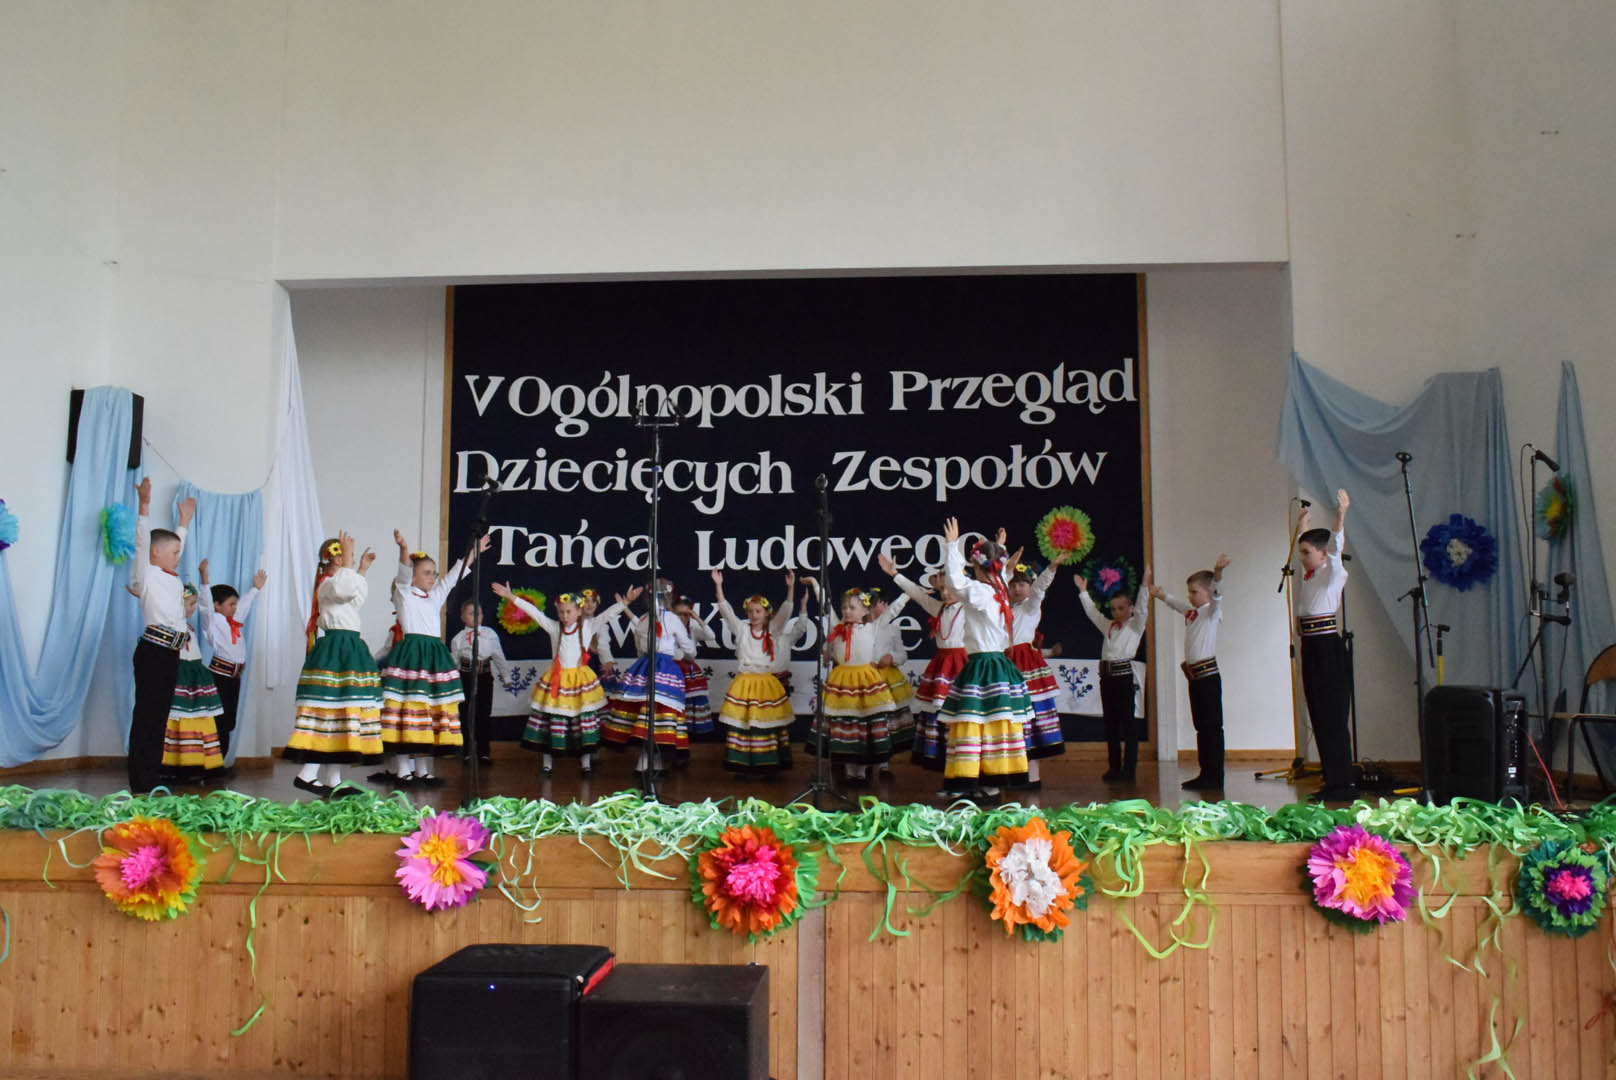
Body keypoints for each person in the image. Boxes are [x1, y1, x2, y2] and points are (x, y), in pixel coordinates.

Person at [373, 530, 490, 787]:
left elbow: (453, 576)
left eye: (433, 573)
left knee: (429, 712)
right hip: (412, 657)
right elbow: (403, 572)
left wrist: (474, 553)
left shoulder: (435, 596)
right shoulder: (404, 593)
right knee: (408, 710)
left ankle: (423, 770)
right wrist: (404, 549)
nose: (432, 577)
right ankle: (403, 769)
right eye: (426, 573)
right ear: (413, 575)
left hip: (434, 659)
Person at [496, 582, 638, 776]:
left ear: (578, 612)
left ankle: (586, 764)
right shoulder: (554, 628)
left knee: (583, 721)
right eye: (561, 612)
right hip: (557, 680)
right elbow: (535, 613)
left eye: (569, 612)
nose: (565, 616)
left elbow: (607, 615)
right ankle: (547, 764)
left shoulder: (587, 627)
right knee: (551, 720)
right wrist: (512, 597)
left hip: (580, 681)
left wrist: (626, 601)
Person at [935, 519, 1032, 799]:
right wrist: (998, 547)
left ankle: (975, 783)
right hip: (996, 664)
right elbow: (998, 574)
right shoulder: (999, 589)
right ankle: (989, 782)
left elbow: (956, 582)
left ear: (978, 567)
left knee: (975, 721)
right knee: (994, 722)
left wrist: (951, 546)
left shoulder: (982, 591)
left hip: (984, 665)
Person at [283, 532, 381, 798]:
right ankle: (308, 773)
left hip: (349, 649)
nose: (348, 559)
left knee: (344, 713)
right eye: (344, 556)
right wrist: (351, 564)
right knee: (328, 711)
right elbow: (343, 590)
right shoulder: (327, 584)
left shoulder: (338, 581)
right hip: (336, 651)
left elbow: (355, 598)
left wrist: (361, 570)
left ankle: (333, 778)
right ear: (334, 559)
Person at [128, 478, 196, 794]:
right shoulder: (148, 574)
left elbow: (174, 544)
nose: (178, 557)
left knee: (159, 717)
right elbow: (143, 544)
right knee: (147, 715)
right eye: (173, 553)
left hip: (170, 653)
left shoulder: (170, 578)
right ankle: (141, 779)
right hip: (154, 652)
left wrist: (184, 523)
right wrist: (144, 507)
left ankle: (151, 775)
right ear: (156, 553)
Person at [809, 582, 907, 784]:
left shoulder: (872, 628)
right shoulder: (837, 627)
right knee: (847, 724)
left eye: (852, 607)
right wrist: (816, 585)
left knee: (863, 724)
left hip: (865, 681)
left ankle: (861, 772)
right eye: (844, 607)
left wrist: (909, 594)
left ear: (865, 611)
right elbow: (826, 607)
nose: (847, 611)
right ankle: (849, 771)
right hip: (842, 682)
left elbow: (892, 611)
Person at [1150, 554, 1231, 790]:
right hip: (1195, 677)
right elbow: (1178, 604)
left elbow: (1218, 594)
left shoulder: (1211, 611)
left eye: (1194, 592)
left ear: (1208, 592)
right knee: (1201, 727)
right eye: (1189, 592)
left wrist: (1218, 574)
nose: (1190, 596)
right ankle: (1205, 773)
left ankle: (1215, 776)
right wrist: (1162, 595)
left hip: (1208, 677)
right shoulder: (1193, 614)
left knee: (1212, 728)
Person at [877, 556, 965, 773]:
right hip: (943, 666)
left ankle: (963, 763)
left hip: (962, 666)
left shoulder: (968, 609)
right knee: (940, 713)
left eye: (950, 588)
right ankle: (945, 763)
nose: (945, 593)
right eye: (942, 589)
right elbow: (917, 594)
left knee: (962, 713)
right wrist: (895, 575)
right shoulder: (940, 609)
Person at [1295, 489, 1354, 801]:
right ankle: (1331, 780)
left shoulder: (1333, 573)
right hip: (1311, 647)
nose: (1302, 557)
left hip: (1328, 648)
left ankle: (1342, 784)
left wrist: (1339, 518)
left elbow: (1334, 547)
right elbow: (1311, 546)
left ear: (1321, 554)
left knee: (1332, 715)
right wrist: (1303, 526)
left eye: (1306, 552)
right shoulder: (1311, 576)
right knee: (1318, 714)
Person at [603, 580, 697, 774]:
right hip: (665, 669)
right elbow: (690, 649)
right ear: (669, 597)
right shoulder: (671, 619)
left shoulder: (644, 620)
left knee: (648, 713)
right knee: (659, 714)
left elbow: (640, 649)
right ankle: (646, 763)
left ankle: (653, 763)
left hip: (645, 667)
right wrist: (683, 655)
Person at [710, 569, 797, 777]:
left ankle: (768, 764)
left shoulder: (772, 630)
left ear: (766, 613)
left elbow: (785, 613)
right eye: (750, 611)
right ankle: (742, 764)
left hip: (766, 683)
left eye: (758, 611)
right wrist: (718, 586)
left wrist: (791, 588)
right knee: (744, 722)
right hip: (745, 683)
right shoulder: (741, 629)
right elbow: (726, 611)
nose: (754, 615)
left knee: (767, 721)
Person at [1075, 563, 1151, 782]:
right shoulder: (1108, 625)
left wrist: (1145, 583)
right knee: (1111, 726)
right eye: (1114, 609)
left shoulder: (1135, 625)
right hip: (1107, 679)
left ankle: (1129, 771)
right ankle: (1114, 768)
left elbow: (1143, 607)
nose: (1116, 612)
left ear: (1130, 609)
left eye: (1121, 608)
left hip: (1123, 679)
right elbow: (1092, 613)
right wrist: (1083, 591)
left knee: (1128, 726)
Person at [1004, 546, 1072, 786]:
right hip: (1006, 664)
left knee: (1031, 718)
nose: (1017, 588)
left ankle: (1033, 777)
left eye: (1022, 584)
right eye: (1013, 584)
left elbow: (1040, 588)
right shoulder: (1004, 609)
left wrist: (1052, 567)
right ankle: (1013, 772)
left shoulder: (1030, 606)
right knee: (1011, 719)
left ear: (1030, 586)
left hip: (1026, 667)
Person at [197, 558, 265, 765]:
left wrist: (255, 589)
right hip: (219, 677)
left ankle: (219, 763)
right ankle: (209, 764)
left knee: (227, 722)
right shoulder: (212, 622)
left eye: (235, 604)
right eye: (230, 604)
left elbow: (243, 606)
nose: (235, 608)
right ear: (217, 606)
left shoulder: (233, 622)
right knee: (217, 721)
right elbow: (205, 607)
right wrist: (204, 579)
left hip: (233, 678)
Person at [157, 584, 227, 784]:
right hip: (182, 679)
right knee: (179, 719)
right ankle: (177, 764)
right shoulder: (171, 628)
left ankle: (198, 762)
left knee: (199, 718)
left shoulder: (189, 629)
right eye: (190, 604)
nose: (192, 608)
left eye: (194, 604)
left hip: (195, 679)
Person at [449, 599, 511, 766]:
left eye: (479, 613)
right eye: (471, 614)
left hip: (484, 676)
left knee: (483, 714)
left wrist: (506, 677)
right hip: (465, 677)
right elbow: (454, 662)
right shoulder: (458, 639)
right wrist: (451, 683)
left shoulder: (490, 634)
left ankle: (484, 753)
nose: (476, 617)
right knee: (466, 714)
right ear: (462, 617)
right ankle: (467, 752)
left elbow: (498, 655)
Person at [866, 586, 916, 761]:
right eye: (881, 603)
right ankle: (862, 764)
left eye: (886, 603)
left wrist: (891, 657)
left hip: (887, 680)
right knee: (867, 719)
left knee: (885, 721)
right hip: (865, 678)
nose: (885, 607)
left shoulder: (893, 629)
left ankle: (883, 764)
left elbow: (903, 655)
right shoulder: (861, 627)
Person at [670, 592, 718, 741]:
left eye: (686, 614)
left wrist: (696, 618)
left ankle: (689, 735)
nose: (682, 618)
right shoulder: (668, 630)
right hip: (673, 670)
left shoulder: (693, 630)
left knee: (692, 702)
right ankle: (673, 733)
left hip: (689, 671)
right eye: (679, 614)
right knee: (674, 701)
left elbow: (711, 636)